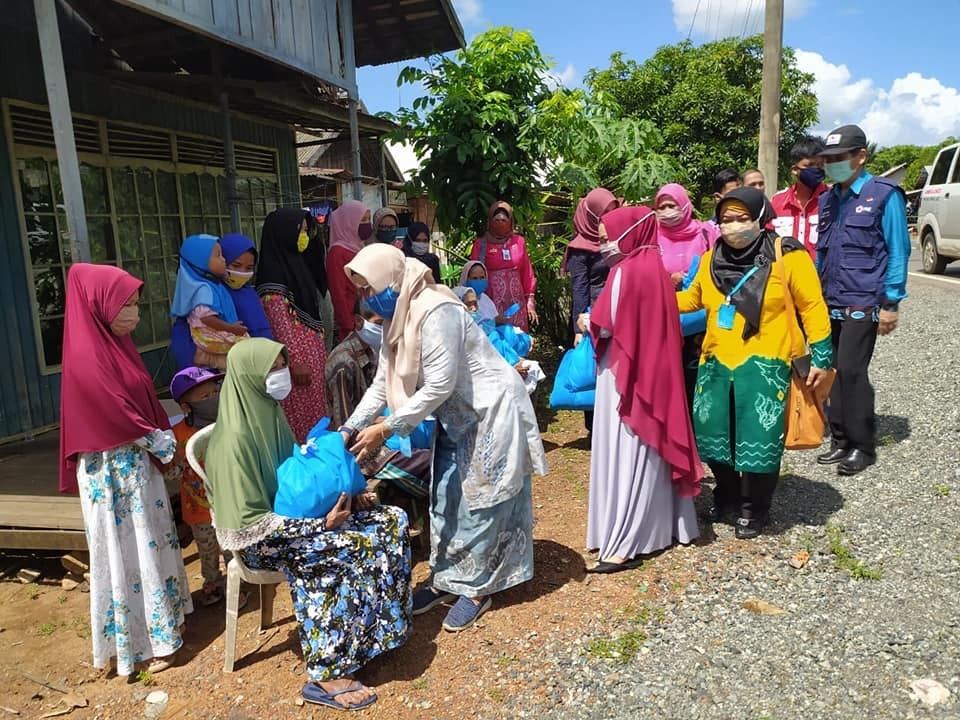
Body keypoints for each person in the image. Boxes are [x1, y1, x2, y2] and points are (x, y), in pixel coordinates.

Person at [342, 244, 547, 632]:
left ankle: (477, 587)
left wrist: (386, 428)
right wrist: (350, 427)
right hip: (456, 416)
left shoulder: (438, 309)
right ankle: (447, 579)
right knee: (446, 496)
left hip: (488, 409)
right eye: (362, 292)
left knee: (481, 502)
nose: (368, 298)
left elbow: (438, 384)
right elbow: (382, 385)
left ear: (393, 278)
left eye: (371, 288)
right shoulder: (395, 317)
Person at [204, 338, 411, 711]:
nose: (281, 375)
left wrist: (339, 499)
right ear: (250, 376)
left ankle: (373, 635)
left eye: (282, 364)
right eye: (272, 368)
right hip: (263, 539)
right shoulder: (233, 440)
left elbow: (297, 482)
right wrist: (321, 526)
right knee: (339, 550)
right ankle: (326, 672)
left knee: (390, 521)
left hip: (297, 521)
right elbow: (247, 526)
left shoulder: (268, 412)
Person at [59, 263, 192, 677]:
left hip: (134, 468)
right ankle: (143, 640)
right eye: (125, 305)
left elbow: (138, 399)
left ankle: (162, 625)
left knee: (149, 543)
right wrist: (163, 442)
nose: (133, 313)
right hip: (112, 472)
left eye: (135, 304)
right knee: (126, 551)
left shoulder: (117, 345)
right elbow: (116, 411)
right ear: (99, 306)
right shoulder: (86, 354)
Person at [677, 187, 833, 538]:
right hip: (716, 364)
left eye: (742, 219)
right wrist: (644, 293)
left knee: (760, 437)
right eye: (726, 220)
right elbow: (690, 301)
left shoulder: (787, 255)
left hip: (766, 365)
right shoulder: (709, 259)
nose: (733, 227)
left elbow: (812, 306)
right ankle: (728, 494)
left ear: (760, 218)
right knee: (716, 435)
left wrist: (821, 355)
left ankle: (755, 507)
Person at [585, 206, 702, 572]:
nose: (603, 246)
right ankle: (665, 528)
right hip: (658, 374)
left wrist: (586, 319)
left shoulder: (626, 271)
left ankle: (625, 539)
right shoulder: (657, 268)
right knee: (653, 450)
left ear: (628, 233)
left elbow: (606, 326)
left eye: (605, 239)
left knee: (627, 450)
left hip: (626, 376)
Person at [815, 124, 910, 476]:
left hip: (864, 300)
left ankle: (862, 446)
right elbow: (821, 256)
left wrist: (890, 304)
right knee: (833, 371)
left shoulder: (884, 195)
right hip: (830, 299)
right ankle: (839, 440)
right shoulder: (828, 200)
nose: (833, 165)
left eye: (840, 158)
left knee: (853, 372)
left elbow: (898, 251)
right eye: (828, 160)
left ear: (860, 157)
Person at [256, 208, 328, 443]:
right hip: (297, 368)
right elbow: (281, 327)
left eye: (306, 231)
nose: (305, 237)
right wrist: (295, 361)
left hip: (312, 362)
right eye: (301, 231)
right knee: (301, 422)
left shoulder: (296, 266)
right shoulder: (274, 280)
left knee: (316, 416)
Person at [166, 367, 229, 606]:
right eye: (204, 397)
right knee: (207, 549)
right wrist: (178, 461)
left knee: (230, 548)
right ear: (185, 407)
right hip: (198, 508)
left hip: (227, 504)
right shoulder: (178, 434)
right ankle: (212, 583)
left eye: (215, 392)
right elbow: (172, 473)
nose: (213, 399)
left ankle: (236, 584)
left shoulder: (227, 425)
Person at [654, 183, 721, 408]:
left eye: (671, 205)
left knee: (699, 368)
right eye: (661, 207)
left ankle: (701, 422)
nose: (666, 211)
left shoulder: (705, 232)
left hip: (701, 314)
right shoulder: (653, 235)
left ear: (684, 205)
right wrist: (667, 279)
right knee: (670, 372)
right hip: (664, 311)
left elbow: (718, 266)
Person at [170, 234, 248, 369]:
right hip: (207, 334)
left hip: (210, 333)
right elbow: (207, 318)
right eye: (218, 255)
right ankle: (207, 357)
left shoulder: (210, 283)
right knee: (244, 345)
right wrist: (231, 328)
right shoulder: (204, 289)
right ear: (200, 261)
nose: (224, 260)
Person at [469, 201, 538, 331]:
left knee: (517, 339)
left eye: (504, 220)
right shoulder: (481, 245)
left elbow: (526, 272)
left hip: (516, 305)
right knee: (496, 341)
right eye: (497, 220)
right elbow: (472, 274)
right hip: (491, 302)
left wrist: (530, 301)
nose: (500, 223)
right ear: (490, 222)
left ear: (511, 222)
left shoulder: (519, 242)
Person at [565, 188, 620, 345]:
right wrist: (578, 330)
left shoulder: (618, 236)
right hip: (594, 315)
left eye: (613, 211)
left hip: (619, 310)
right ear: (591, 215)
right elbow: (580, 288)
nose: (609, 217)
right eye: (604, 213)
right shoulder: (579, 249)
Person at [770, 136, 830, 259]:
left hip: (820, 276)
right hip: (784, 275)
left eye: (820, 165)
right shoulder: (777, 202)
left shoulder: (832, 199)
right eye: (811, 165)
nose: (817, 169)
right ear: (795, 169)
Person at [326, 200, 371, 342]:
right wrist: (350, 326)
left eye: (368, 219)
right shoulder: (337, 253)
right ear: (348, 222)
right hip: (354, 325)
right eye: (363, 220)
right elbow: (338, 293)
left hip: (369, 320)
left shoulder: (359, 247)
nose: (367, 224)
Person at [220, 232, 274, 339]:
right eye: (236, 265)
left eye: (249, 268)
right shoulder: (212, 294)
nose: (242, 272)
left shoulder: (249, 292)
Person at [459, 260, 500, 324]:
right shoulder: (460, 301)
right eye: (474, 278)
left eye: (482, 277)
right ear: (466, 279)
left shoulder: (486, 299)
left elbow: (494, 317)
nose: (479, 281)